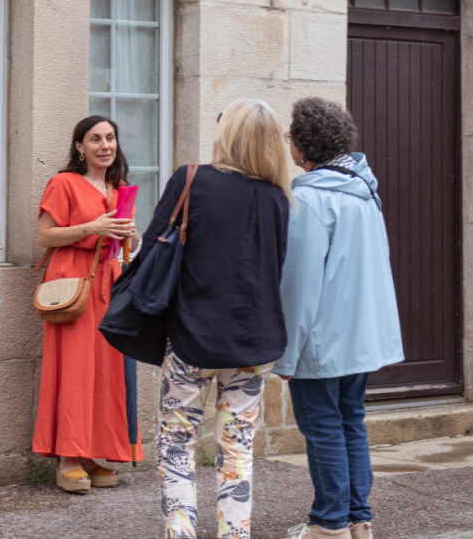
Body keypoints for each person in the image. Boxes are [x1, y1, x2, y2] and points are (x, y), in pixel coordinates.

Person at [145, 99, 290, 539]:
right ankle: (233, 533)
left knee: (176, 439)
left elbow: (155, 245)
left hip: (192, 335)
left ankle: (181, 529)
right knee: (237, 448)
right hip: (254, 341)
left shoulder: (193, 180)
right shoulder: (278, 198)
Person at [276, 97, 403, 539]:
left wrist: (287, 353)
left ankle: (329, 523)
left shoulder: (309, 199)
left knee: (323, 426)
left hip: (322, 335)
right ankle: (357, 519)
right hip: (359, 334)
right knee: (350, 420)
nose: (288, 143)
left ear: (305, 143)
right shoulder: (363, 191)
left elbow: (300, 284)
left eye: (292, 135)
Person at [32, 115, 144, 493]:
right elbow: (45, 235)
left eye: (110, 138)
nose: (104, 146)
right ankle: (67, 457)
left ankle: (95, 453)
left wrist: (131, 235)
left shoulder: (119, 188)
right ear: (80, 146)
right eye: (95, 139)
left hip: (110, 285)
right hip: (74, 285)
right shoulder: (63, 183)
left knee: (107, 372)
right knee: (76, 370)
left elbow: (122, 244)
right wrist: (90, 229)